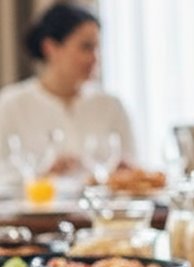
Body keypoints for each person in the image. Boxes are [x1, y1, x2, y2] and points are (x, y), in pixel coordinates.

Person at [0, 3, 136, 188]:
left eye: (97, 48)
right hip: (35, 206)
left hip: (100, 206)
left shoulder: (111, 106)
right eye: (86, 47)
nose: (94, 58)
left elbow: (133, 170)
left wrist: (126, 175)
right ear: (50, 48)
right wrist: (41, 174)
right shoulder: (10, 105)